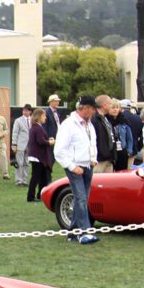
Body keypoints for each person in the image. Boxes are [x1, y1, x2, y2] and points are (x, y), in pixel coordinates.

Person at [54, 95, 100, 244]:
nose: (94, 112)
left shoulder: (89, 125)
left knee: (83, 199)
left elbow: (92, 143)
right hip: (75, 166)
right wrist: (72, 167)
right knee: (80, 198)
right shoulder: (68, 125)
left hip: (88, 165)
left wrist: (93, 158)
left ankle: (73, 233)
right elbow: (59, 150)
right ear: (85, 108)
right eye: (92, 109)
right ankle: (84, 232)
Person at [25, 107, 54, 202]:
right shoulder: (37, 128)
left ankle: (39, 195)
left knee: (41, 177)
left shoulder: (36, 127)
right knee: (36, 177)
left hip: (37, 156)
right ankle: (31, 196)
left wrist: (48, 140)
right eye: (44, 115)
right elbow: (40, 141)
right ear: (39, 116)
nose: (45, 117)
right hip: (37, 156)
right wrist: (50, 142)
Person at [91, 95, 117, 173]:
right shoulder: (94, 119)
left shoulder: (106, 118)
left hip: (109, 158)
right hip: (99, 159)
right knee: (97, 179)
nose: (111, 106)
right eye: (110, 103)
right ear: (104, 105)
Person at [11, 104, 33, 185]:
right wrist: (14, 144)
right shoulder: (18, 120)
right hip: (20, 144)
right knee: (19, 163)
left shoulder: (33, 120)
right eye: (24, 110)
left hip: (30, 145)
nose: (25, 112)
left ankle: (24, 180)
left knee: (26, 163)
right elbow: (15, 133)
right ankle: (18, 181)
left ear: (30, 111)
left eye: (26, 111)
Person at [0, 104, 10, 179]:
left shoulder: (2, 119)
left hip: (1, 142)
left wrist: (3, 134)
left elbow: (7, 129)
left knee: (3, 156)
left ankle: (5, 174)